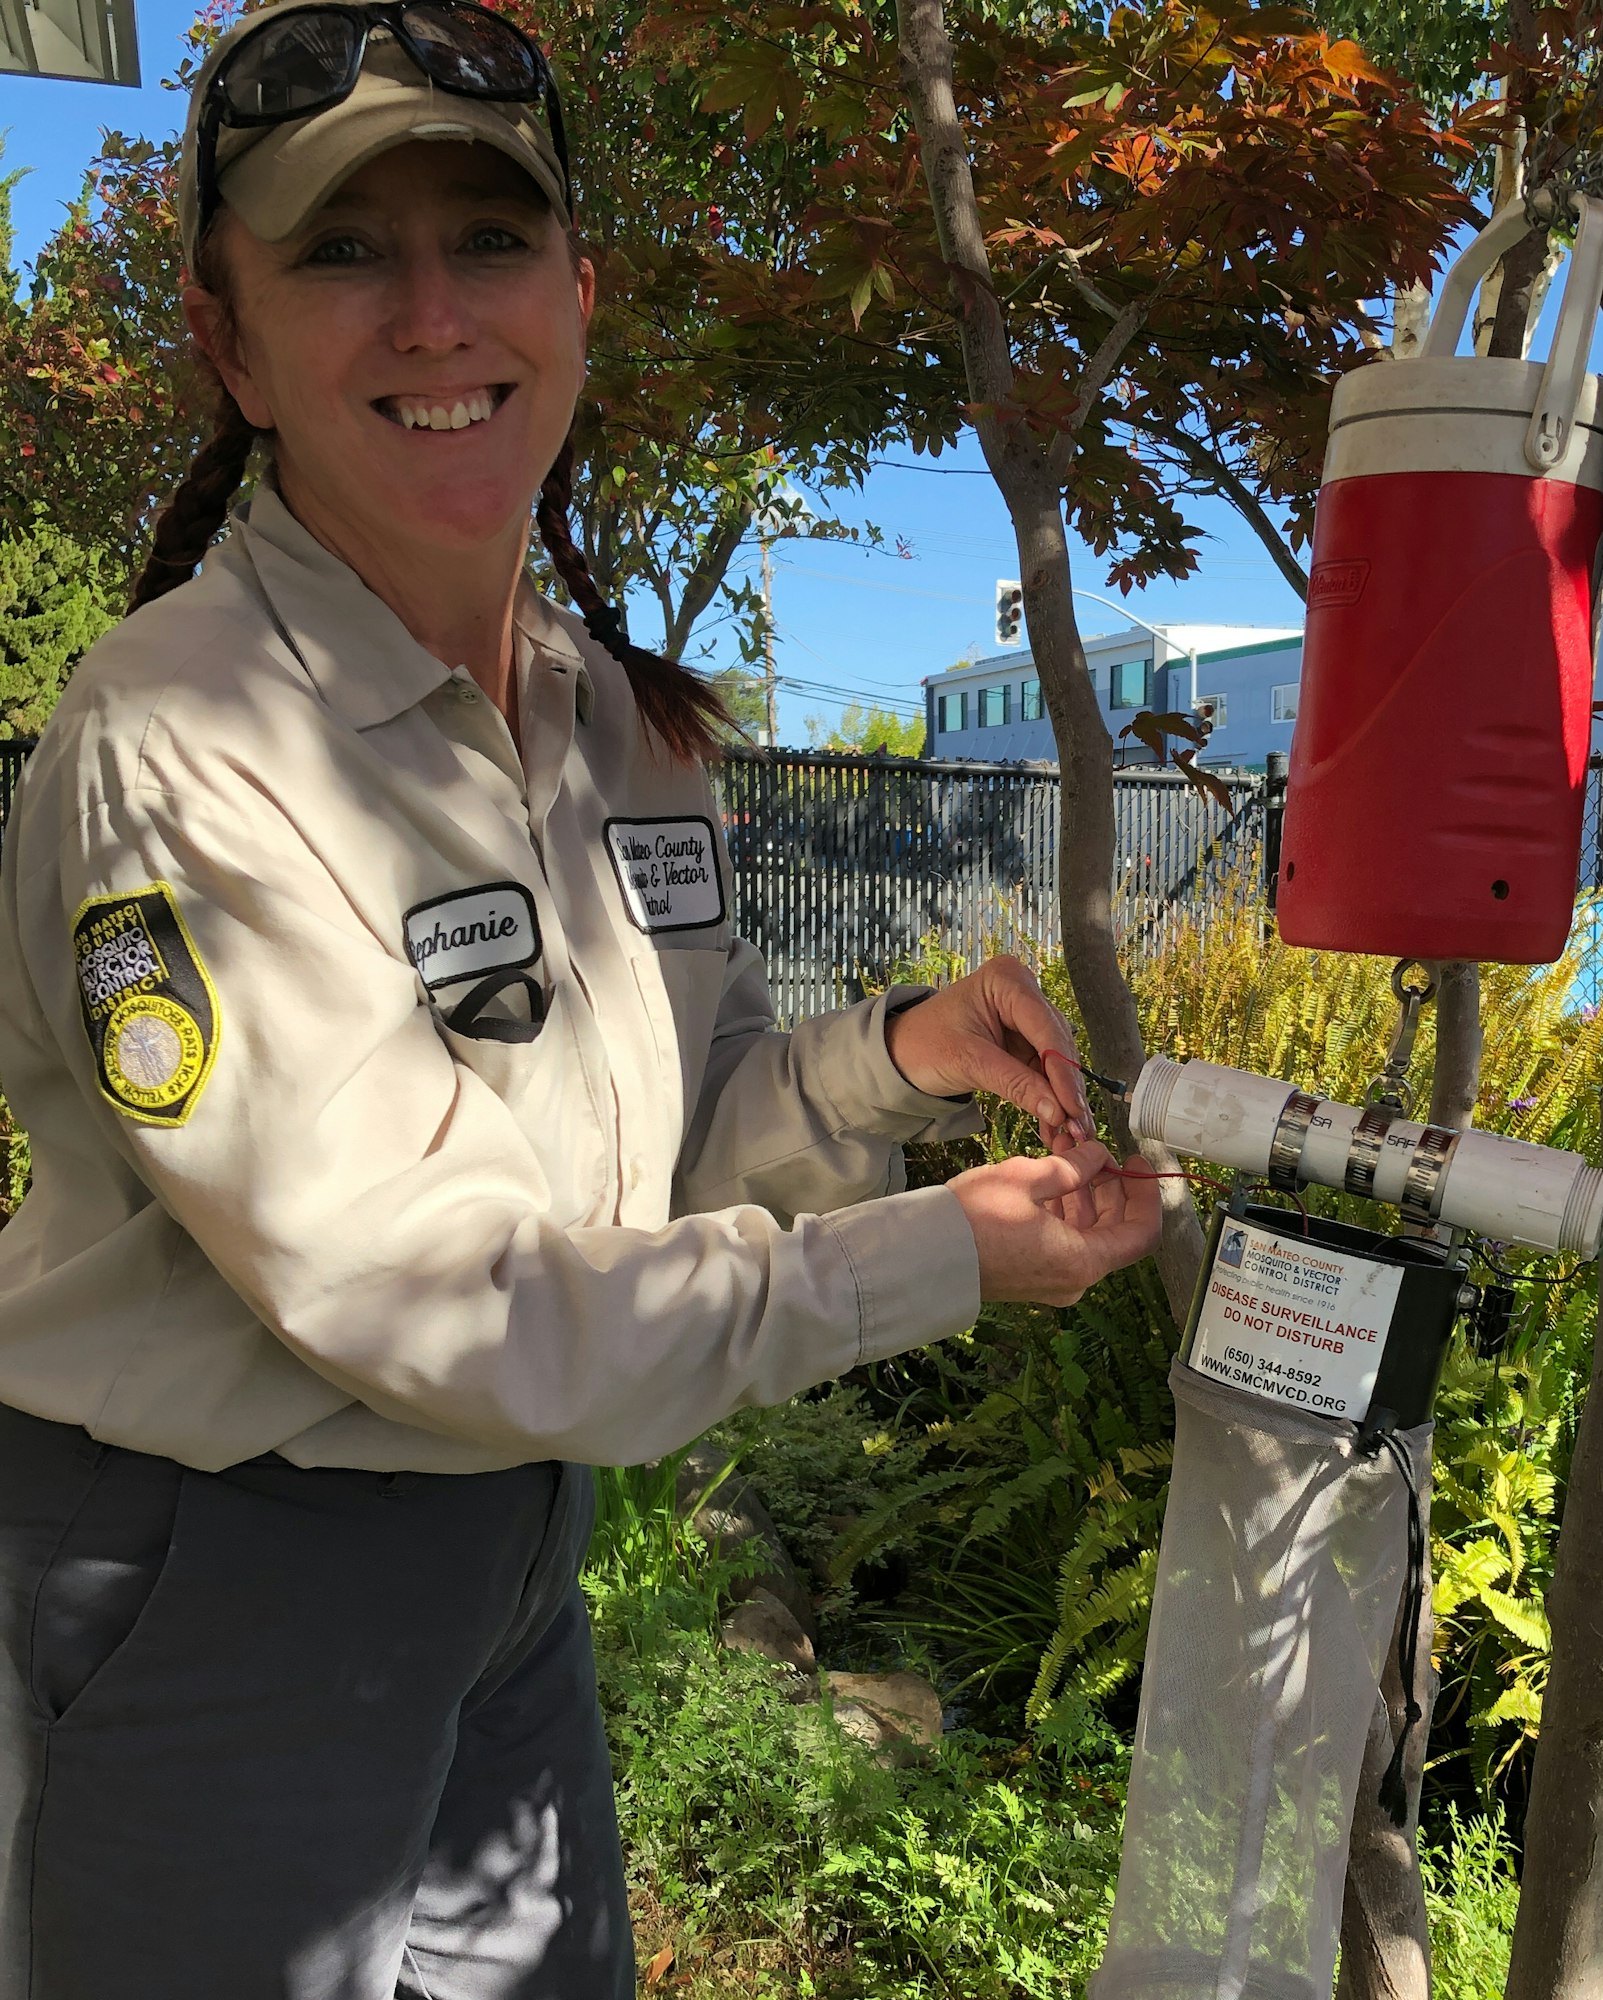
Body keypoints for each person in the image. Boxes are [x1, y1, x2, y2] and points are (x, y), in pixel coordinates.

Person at [0, 4, 1161, 1993]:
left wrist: (884, 1067)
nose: (434, 317)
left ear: (578, 298)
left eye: (490, 239)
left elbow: (657, 1154)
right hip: (216, 1576)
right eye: (343, 252)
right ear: (229, 337)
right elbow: (438, 1295)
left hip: (498, 1559)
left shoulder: (612, 722)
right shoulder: (181, 749)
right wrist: (926, 1266)